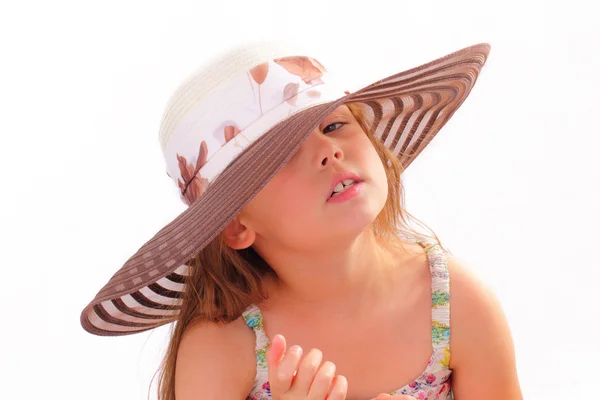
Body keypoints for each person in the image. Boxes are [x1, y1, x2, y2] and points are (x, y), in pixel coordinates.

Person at [80, 41, 522, 400]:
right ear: (236, 225)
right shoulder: (223, 348)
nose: (329, 151)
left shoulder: (452, 303)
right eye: (282, 156)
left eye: (333, 126)